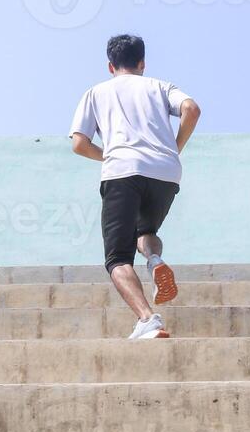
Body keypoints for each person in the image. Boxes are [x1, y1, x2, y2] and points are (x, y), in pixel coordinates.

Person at [69, 34, 201, 340]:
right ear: (142, 63)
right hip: (166, 172)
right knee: (146, 232)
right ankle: (155, 260)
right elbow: (191, 109)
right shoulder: (160, 86)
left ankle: (147, 320)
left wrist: (111, 155)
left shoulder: (96, 92)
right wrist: (174, 148)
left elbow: (79, 143)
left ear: (110, 65)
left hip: (121, 172)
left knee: (117, 259)